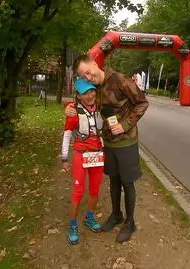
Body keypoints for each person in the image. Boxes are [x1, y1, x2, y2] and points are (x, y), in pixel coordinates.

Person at [66, 55, 149, 243]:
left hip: (126, 141)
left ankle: (130, 223)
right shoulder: (94, 88)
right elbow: (82, 101)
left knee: (127, 183)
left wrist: (126, 124)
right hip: (108, 144)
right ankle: (116, 215)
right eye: (83, 76)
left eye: (88, 72)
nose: (88, 78)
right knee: (113, 180)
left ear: (95, 64)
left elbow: (142, 102)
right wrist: (69, 109)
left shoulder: (119, 80)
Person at [61, 78, 104, 245]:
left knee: (94, 189)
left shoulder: (100, 108)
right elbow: (66, 135)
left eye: (92, 90)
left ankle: (89, 217)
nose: (90, 94)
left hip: (97, 155)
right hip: (80, 154)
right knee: (78, 191)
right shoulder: (73, 112)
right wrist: (64, 158)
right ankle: (72, 225)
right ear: (78, 96)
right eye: (86, 92)